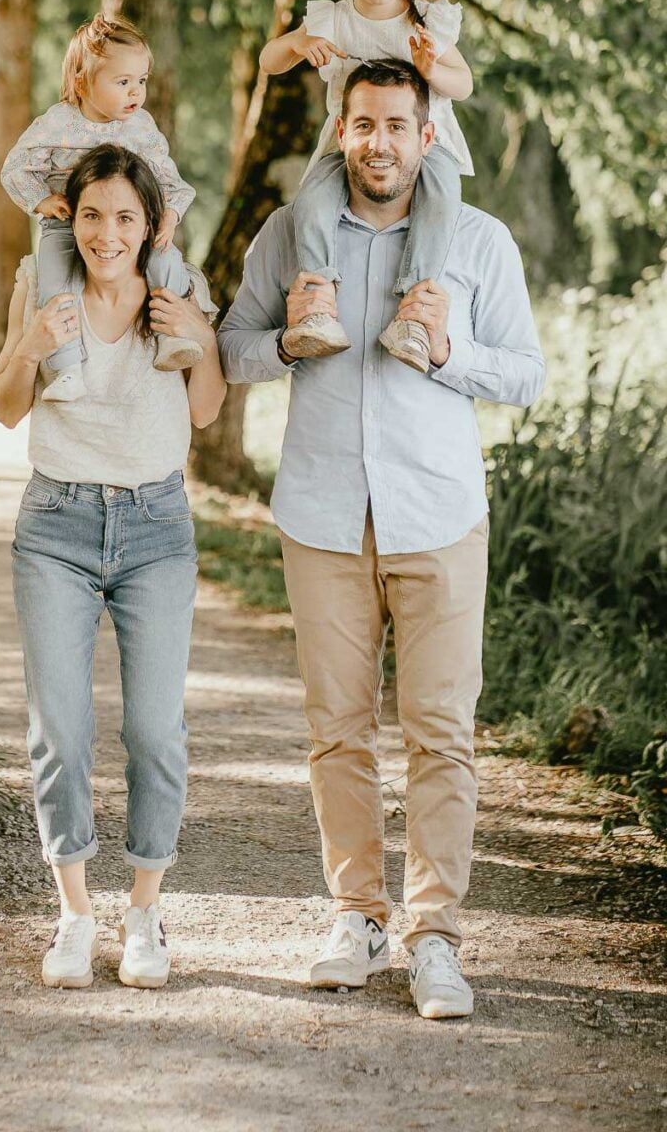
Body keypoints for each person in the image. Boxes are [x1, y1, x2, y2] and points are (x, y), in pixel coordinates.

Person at [218, 58, 544, 1021]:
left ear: (427, 135)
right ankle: (356, 917)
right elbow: (232, 346)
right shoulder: (292, 234)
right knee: (338, 730)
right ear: (341, 131)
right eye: (363, 124)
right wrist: (287, 342)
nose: (379, 142)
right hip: (323, 516)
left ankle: (435, 936)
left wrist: (446, 350)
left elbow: (525, 374)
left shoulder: (478, 242)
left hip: (439, 516)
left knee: (442, 731)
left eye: (398, 125)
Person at [0, 143, 226, 991]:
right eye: (92, 214)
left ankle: (145, 912)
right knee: (60, 730)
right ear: (71, 218)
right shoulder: (42, 284)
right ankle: (75, 914)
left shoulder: (179, 292)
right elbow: (5, 407)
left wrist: (199, 335)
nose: (106, 233)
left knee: (155, 731)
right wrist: (30, 346)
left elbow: (206, 411)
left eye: (126, 216)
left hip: (156, 527)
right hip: (55, 525)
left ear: (151, 225)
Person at [259, 0, 475, 373]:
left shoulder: (424, 21)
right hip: (351, 145)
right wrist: (299, 42)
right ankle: (318, 302)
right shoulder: (333, 21)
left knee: (443, 196)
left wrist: (431, 69)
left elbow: (464, 84)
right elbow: (268, 61)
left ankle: (414, 313)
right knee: (313, 199)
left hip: (424, 145)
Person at [0, 14, 201, 403]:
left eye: (141, 80)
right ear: (83, 83)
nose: (135, 92)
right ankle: (67, 367)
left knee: (165, 259)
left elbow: (170, 180)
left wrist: (170, 214)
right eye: (122, 82)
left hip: (127, 224)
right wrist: (41, 199)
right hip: (65, 222)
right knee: (55, 285)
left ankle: (171, 336)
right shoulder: (58, 123)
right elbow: (16, 167)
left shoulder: (140, 126)